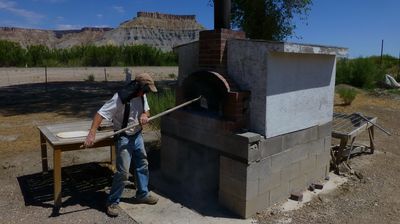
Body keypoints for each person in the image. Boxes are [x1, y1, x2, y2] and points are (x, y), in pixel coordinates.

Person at [84, 73, 159, 217]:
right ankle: (112, 201)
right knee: (123, 172)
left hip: (137, 135)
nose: (147, 92)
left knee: (142, 164)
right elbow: (100, 114)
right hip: (123, 137)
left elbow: (147, 110)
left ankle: (142, 194)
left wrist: (145, 115)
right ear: (139, 86)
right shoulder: (120, 98)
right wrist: (92, 133)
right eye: (146, 89)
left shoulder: (142, 95)